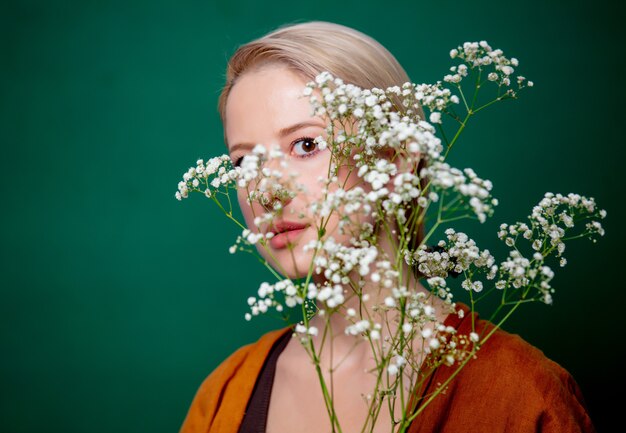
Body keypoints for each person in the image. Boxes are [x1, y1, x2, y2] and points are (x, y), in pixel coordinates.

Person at [179, 21, 596, 433]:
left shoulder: (518, 395)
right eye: (244, 162)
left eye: (306, 145)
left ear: (396, 159)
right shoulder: (224, 397)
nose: (266, 190)